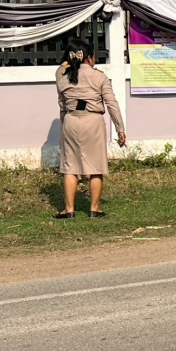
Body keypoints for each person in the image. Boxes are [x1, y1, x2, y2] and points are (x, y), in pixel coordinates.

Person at [55, 40, 126, 219]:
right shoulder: (99, 77)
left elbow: (62, 106)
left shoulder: (64, 78)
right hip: (93, 121)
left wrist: (65, 126)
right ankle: (94, 208)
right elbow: (111, 104)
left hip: (71, 120)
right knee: (96, 166)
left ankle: (69, 210)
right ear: (89, 58)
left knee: (70, 167)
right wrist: (120, 128)